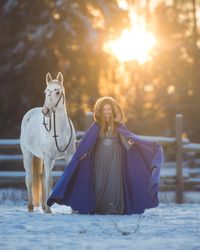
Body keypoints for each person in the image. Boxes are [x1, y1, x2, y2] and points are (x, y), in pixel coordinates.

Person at [47, 96, 163, 214]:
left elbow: (126, 140)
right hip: (100, 157)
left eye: (109, 110)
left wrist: (131, 143)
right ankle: (99, 207)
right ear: (101, 111)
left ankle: (114, 208)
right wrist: (85, 153)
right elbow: (90, 142)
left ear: (113, 111)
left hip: (116, 157)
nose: (107, 112)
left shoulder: (119, 125)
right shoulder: (97, 125)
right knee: (100, 181)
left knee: (114, 181)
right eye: (104, 110)